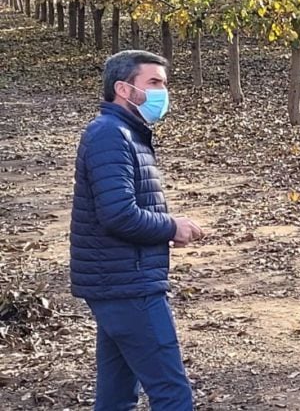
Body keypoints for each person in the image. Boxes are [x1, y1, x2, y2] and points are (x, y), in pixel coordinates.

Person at [70, 50, 204, 410]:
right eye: (154, 83)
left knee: (116, 396)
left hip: (117, 281)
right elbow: (118, 214)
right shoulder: (111, 136)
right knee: (172, 394)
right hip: (128, 285)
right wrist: (171, 226)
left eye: (165, 83)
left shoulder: (125, 133)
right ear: (124, 89)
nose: (163, 92)